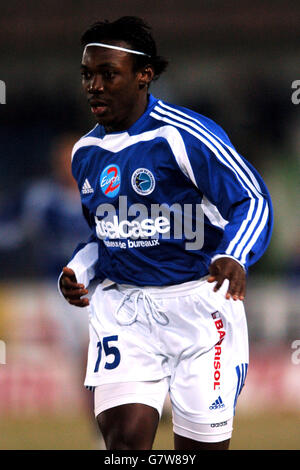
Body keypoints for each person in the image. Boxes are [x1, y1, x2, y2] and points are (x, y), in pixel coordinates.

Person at [59, 16, 273, 450]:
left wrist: (235, 254)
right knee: (125, 443)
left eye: (108, 74)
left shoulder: (184, 136)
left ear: (144, 76)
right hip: (125, 311)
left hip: (200, 308)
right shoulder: (85, 153)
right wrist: (78, 267)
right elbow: (107, 235)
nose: (94, 86)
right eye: (87, 74)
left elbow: (252, 199)